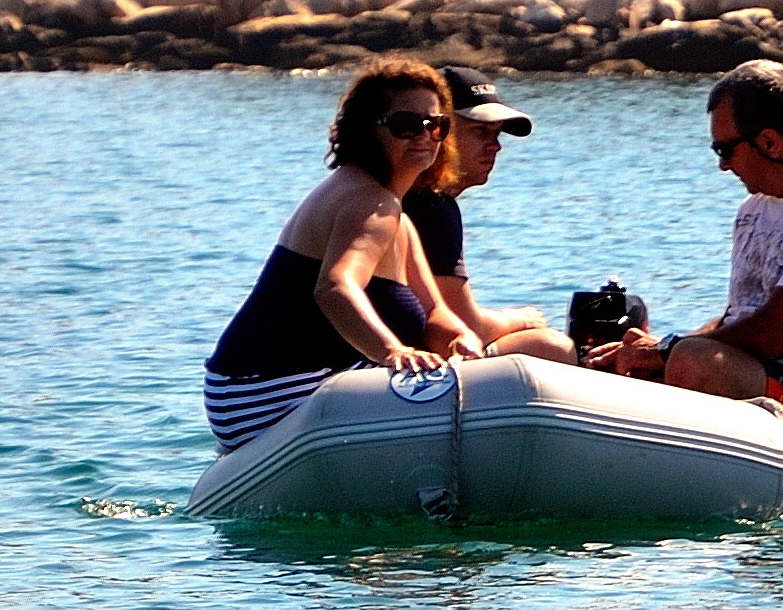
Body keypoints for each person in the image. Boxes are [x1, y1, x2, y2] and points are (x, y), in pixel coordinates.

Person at [586, 60, 783, 458]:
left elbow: (769, 335)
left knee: (693, 362)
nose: (722, 165)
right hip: (756, 375)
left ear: (769, 142)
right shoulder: (753, 209)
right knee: (621, 354)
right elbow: (739, 318)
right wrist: (643, 353)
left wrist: (666, 350)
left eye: (725, 149)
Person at [203, 58, 484, 451]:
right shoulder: (369, 202)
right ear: (369, 129)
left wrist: (461, 337)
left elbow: (434, 312)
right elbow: (335, 287)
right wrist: (393, 352)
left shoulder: (394, 213)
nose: (425, 136)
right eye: (406, 124)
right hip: (262, 393)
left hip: (251, 389)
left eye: (436, 125)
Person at [403, 66, 577, 364]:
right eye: (480, 131)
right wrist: (520, 318)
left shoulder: (404, 191)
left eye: (497, 134)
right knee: (550, 347)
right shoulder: (432, 207)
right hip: (394, 370)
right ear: (439, 129)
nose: (495, 146)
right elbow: (463, 327)